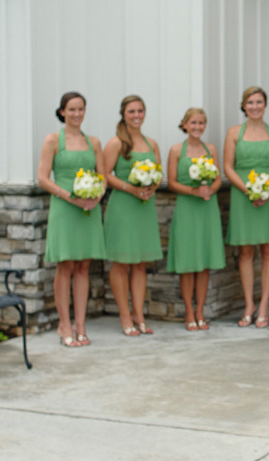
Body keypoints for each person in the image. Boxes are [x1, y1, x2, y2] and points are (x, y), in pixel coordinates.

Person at [37, 92, 106, 347]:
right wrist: (70, 197)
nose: (77, 114)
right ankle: (64, 324)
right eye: (72, 109)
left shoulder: (95, 142)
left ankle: (81, 324)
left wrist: (97, 195)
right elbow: (42, 178)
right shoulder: (53, 140)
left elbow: (103, 175)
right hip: (65, 207)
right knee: (65, 265)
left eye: (81, 109)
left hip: (89, 208)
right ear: (62, 112)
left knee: (83, 267)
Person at [223, 86, 269, 328]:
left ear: (265, 105)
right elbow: (228, 166)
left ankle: (265, 305)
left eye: (259, 102)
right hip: (243, 195)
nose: (255, 106)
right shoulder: (234, 133)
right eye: (250, 102)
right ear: (244, 106)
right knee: (246, 251)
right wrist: (249, 190)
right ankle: (249, 304)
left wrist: (268, 190)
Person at [103, 95, 163, 336]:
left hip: (144, 207)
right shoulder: (117, 143)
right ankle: (124, 314)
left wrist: (151, 188)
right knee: (122, 262)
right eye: (131, 111)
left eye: (140, 111)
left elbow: (158, 173)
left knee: (140, 263)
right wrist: (132, 188)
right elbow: (106, 174)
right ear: (123, 114)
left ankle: (139, 313)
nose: (136, 115)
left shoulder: (152, 144)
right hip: (124, 205)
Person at [166, 108, 226, 331]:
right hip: (187, 208)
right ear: (184, 125)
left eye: (201, 123)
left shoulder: (210, 149)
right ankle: (188, 311)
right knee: (188, 262)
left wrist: (211, 189)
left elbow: (218, 177)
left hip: (207, 207)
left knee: (204, 261)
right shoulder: (175, 151)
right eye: (193, 123)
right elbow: (171, 182)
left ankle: (200, 309)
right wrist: (193, 192)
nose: (197, 127)